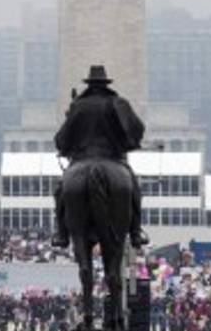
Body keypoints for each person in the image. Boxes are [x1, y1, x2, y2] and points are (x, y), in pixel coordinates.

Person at [52, 65, 148, 248]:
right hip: (112, 158)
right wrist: (128, 142)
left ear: (89, 85)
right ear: (106, 85)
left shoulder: (78, 106)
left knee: (60, 191)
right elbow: (138, 129)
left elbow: (62, 139)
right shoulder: (119, 103)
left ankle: (61, 233)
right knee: (134, 189)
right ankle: (136, 232)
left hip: (83, 159)